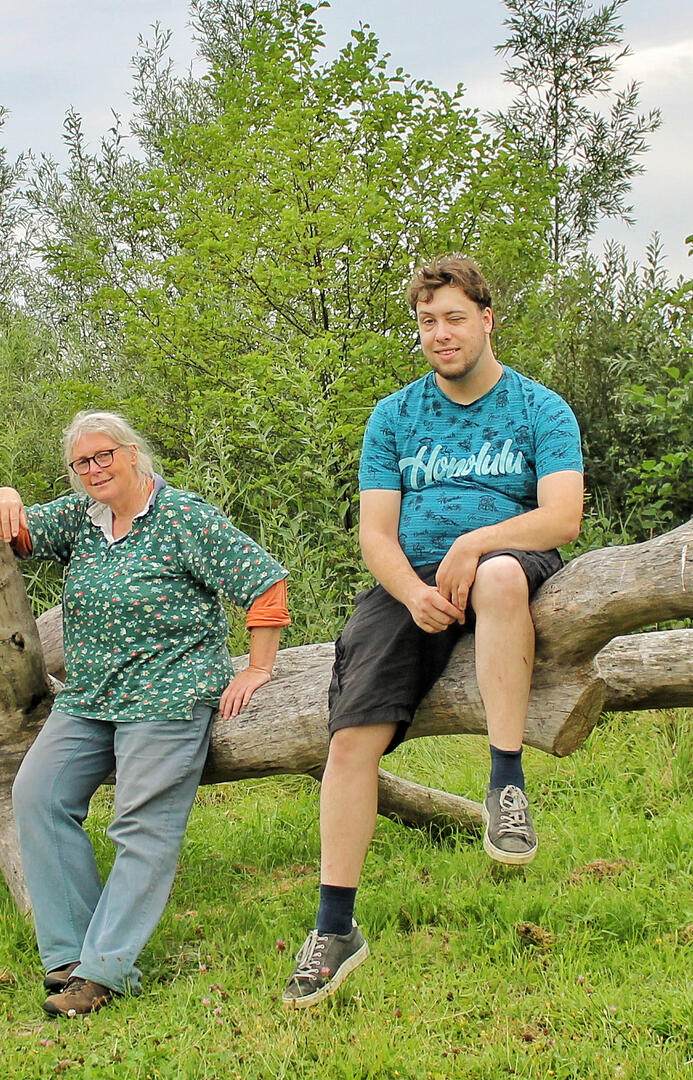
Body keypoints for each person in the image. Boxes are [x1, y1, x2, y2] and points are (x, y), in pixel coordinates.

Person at [281, 255, 584, 1008]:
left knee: (502, 576)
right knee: (350, 742)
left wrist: (477, 544)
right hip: (411, 586)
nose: (440, 334)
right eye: (426, 322)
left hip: (507, 568)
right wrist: (414, 592)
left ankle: (505, 783)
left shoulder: (538, 409)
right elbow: (375, 534)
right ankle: (335, 925)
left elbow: (562, 517)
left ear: (487, 319)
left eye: (453, 318)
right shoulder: (395, 415)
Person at [0, 410, 290, 1017]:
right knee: (37, 796)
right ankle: (70, 955)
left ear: (132, 454)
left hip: (168, 693)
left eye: (104, 456)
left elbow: (264, 582)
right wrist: (4, 492)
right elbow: (13, 531)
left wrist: (256, 668)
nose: (94, 470)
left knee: (141, 823)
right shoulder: (82, 517)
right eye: (82, 463)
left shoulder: (183, 516)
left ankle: (106, 970)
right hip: (91, 695)